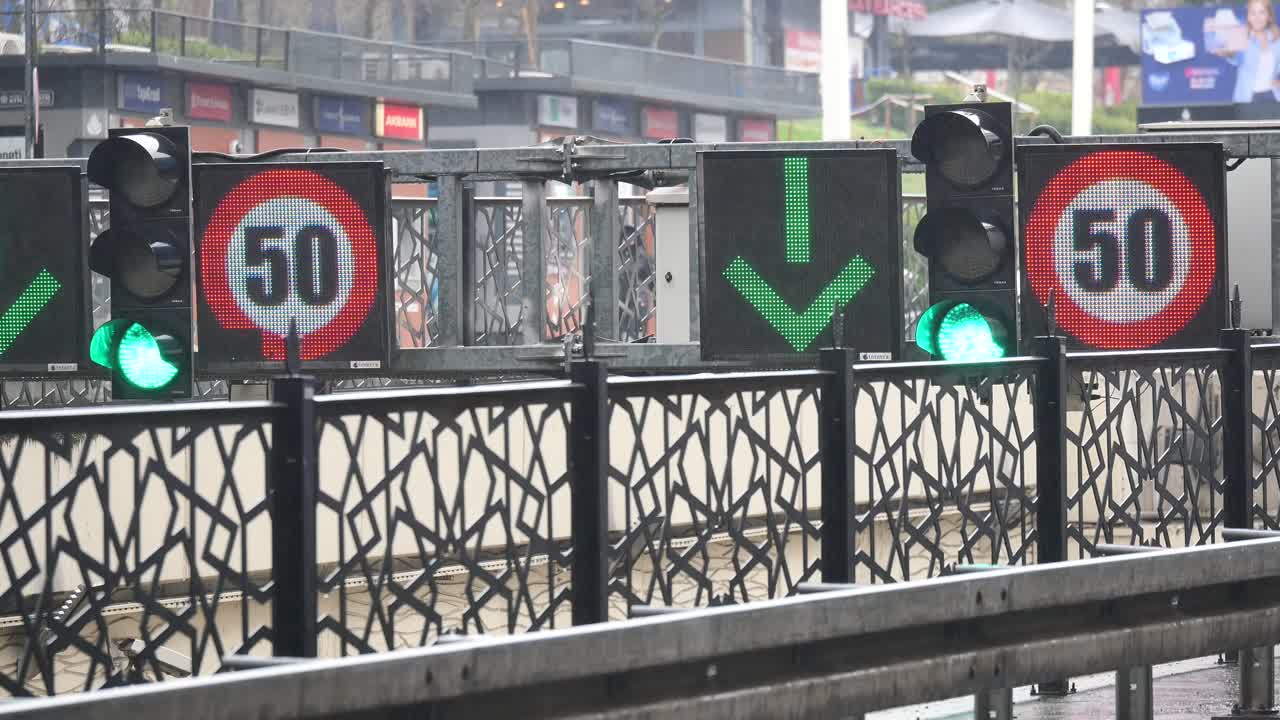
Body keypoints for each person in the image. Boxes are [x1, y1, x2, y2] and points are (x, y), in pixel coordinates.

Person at [1216, 0, 1280, 118]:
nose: (1257, 17)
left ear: (1269, 16)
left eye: (1262, 12)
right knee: (1248, 136)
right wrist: (1227, 53)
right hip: (1247, 100)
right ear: (1248, 17)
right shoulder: (1241, 36)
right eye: (1253, 13)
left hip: (1274, 99)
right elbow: (1233, 55)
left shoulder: (1277, 40)